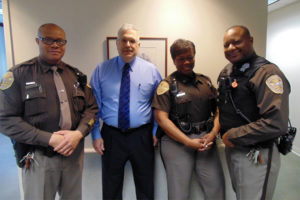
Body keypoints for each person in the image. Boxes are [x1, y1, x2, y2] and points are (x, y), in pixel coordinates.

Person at [0, 23, 98, 200]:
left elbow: (91, 109)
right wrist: (49, 138)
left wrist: (78, 134)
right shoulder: (19, 74)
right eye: (48, 40)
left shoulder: (76, 76)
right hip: (39, 157)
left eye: (60, 41)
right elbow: (5, 119)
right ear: (38, 41)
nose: (55, 45)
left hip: (73, 155)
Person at [218, 25, 290, 200]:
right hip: (234, 148)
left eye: (236, 42)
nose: (231, 48)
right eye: (226, 45)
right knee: (242, 194)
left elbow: (275, 123)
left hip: (256, 153)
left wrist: (232, 135)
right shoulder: (228, 71)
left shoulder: (267, 73)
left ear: (250, 40)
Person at [90, 23, 162, 200]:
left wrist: (155, 131)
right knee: (111, 187)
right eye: (124, 40)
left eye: (132, 41)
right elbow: (93, 106)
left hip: (142, 136)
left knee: (146, 186)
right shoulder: (101, 70)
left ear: (138, 44)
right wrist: (95, 134)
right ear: (117, 43)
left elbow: (159, 105)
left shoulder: (152, 71)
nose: (128, 45)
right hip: (111, 136)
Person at [152, 39, 225, 200]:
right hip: (177, 143)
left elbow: (219, 111)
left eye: (190, 57)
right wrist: (187, 141)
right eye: (181, 59)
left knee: (216, 190)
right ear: (174, 60)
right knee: (179, 194)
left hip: (206, 141)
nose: (187, 62)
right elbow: (161, 119)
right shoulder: (167, 85)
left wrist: (213, 133)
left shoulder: (205, 81)